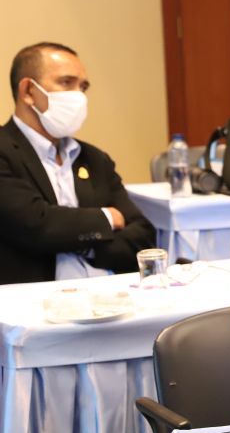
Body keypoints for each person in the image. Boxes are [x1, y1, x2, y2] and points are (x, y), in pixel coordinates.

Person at [0, 43, 155, 285]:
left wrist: (86, 246)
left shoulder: (94, 159)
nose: (79, 96)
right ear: (28, 91)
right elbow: (36, 226)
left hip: (109, 293)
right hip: (35, 299)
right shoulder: (4, 151)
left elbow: (143, 235)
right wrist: (107, 217)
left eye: (83, 87)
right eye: (66, 83)